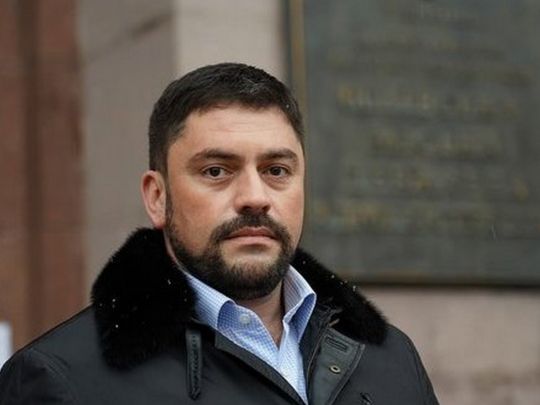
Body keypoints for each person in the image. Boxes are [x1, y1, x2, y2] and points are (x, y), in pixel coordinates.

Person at [0, 63, 439, 404]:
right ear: (157, 197)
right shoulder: (63, 381)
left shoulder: (391, 358)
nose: (254, 197)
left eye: (276, 170)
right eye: (216, 171)